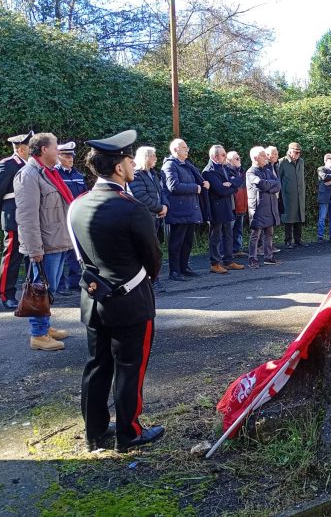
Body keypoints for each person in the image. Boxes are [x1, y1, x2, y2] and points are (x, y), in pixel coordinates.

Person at [67, 129, 164, 453]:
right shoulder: (132, 208)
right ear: (120, 167)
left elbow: (82, 253)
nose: (133, 164)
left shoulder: (78, 205)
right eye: (128, 158)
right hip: (130, 302)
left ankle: (95, 432)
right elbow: (152, 259)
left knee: (97, 367)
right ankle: (129, 433)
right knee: (129, 368)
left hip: (94, 300)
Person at [13, 132, 71, 351]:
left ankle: (44, 327)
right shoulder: (29, 175)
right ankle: (37, 334)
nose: (59, 151)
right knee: (40, 289)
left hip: (55, 241)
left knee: (49, 288)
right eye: (56, 147)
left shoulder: (46, 172)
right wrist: (34, 249)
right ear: (44, 149)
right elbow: (27, 217)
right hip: (44, 245)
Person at [0, 130, 33, 310]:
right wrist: (3, 213)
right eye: (30, 147)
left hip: (30, 218)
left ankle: (31, 293)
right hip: (13, 216)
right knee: (12, 258)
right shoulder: (7, 164)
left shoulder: (32, 166)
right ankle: (7, 295)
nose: (33, 150)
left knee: (32, 257)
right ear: (22, 149)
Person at [161, 139, 209, 281]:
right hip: (179, 210)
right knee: (177, 241)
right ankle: (174, 271)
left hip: (190, 208)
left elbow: (195, 179)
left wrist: (202, 183)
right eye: (184, 147)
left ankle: (184, 267)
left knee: (188, 240)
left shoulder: (186, 164)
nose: (187, 150)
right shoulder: (170, 165)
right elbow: (173, 186)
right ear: (175, 150)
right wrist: (195, 188)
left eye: (187, 147)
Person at [128, 146, 168, 293]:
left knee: (155, 249)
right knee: (147, 250)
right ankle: (150, 281)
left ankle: (154, 279)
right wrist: (159, 208)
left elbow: (161, 192)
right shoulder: (137, 175)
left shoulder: (153, 174)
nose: (156, 158)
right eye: (153, 156)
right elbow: (141, 197)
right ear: (145, 157)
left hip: (156, 217)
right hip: (146, 217)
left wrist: (165, 206)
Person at [202, 144, 245, 274]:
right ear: (215, 156)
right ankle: (214, 263)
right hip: (216, 208)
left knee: (228, 234)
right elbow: (220, 190)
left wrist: (230, 184)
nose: (225, 157)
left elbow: (239, 180)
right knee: (215, 236)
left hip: (227, 206)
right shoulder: (208, 171)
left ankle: (228, 261)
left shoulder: (224, 167)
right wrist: (231, 186)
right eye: (223, 155)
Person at [56, 141, 89, 295]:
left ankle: (75, 282)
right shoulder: (54, 174)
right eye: (67, 156)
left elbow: (84, 194)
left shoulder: (77, 174)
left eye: (72, 156)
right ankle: (60, 284)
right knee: (61, 251)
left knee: (75, 250)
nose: (71, 159)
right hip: (60, 218)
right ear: (58, 156)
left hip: (75, 217)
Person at [247, 146, 281, 268]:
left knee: (269, 233)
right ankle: (252, 258)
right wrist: (269, 185)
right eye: (263, 155)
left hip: (270, 207)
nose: (266, 157)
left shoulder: (267, 171)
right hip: (258, 208)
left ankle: (268, 256)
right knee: (255, 234)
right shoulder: (251, 172)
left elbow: (278, 184)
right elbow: (260, 184)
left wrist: (268, 186)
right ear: (256, 158)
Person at [278, 142, 306, 248]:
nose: (298, 154)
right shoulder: (282, 162)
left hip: (299, 194)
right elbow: (278, 179)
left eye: (299, 152)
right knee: (289, 218)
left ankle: (298, 240)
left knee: (299, 216)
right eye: (296, 152)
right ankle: (288, 241)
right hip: (287, 195)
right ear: (290, 151)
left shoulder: (301, 162)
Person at [227, 151, 249, 257]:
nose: (239, 160)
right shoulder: (227, 171)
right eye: (236, 159)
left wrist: (236, 181)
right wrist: (236, 181)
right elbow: (236, 183)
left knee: (239, 229)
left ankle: (237, 249)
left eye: (239, 158)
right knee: (229, 230)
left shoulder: (242, 171)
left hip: (242, 203)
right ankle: (226, 251)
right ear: (229, 161)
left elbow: (238, 183)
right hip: (232, 204)